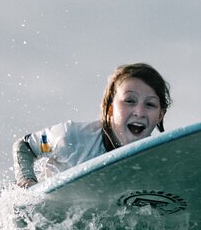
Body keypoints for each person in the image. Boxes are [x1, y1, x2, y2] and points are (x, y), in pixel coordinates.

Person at [13, 63, 172, 188]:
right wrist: (27, 180)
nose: (140, 112)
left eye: (150, 104)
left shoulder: (162, 162)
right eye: (129, 101)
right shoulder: (71, 139)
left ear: (160, 115)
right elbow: (27, 146)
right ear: (110, 108)